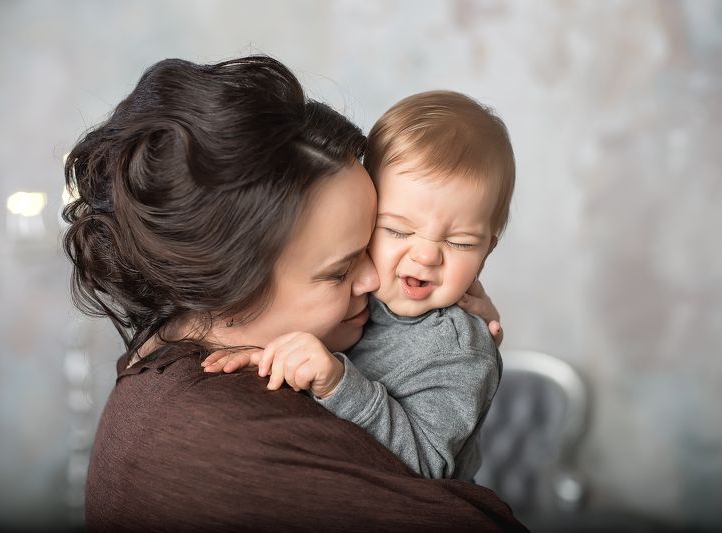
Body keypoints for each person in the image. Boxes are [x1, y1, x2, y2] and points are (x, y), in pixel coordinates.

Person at [65, 55, 526, 531]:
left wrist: (446, 338)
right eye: (340, 269)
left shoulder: (172, 358)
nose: (374, 279)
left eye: (368, 242)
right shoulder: (225, 441)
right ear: (231, 292)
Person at [204, 91, 515, 482]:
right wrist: (272, 353)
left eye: (460, 243)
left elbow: (428, 466)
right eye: (397, 230)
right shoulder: (364, 289)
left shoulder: (459, 351)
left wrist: (337, 382)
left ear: (486, 251)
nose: (426, 257)